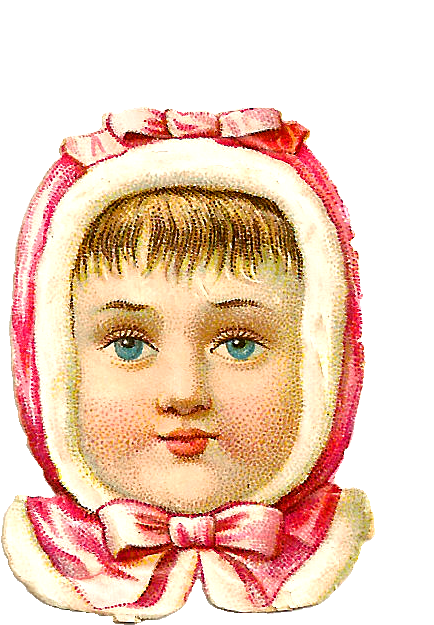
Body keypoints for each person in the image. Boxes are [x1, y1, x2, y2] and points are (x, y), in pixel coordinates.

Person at [2, 107, 373, 621]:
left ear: (326, 364)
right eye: (128, 346)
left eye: (239, 345)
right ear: (47, 364)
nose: (183, 393)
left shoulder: (336, 546)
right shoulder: (53, 556)